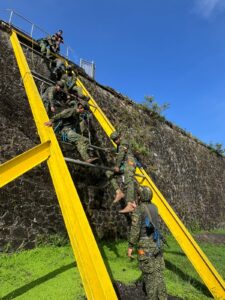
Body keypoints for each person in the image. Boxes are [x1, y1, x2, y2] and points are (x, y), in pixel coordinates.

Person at [128, 186, 167, 300]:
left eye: (139, 195)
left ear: (141, 196)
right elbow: (146, 216)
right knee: (158, 274)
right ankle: (163, 297)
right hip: (157, 244)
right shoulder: (154, 207)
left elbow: (135, 229)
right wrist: (137, 209)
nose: (138, 197)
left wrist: (130, 246)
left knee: (149, 276)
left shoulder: (139, 209)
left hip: (145, 247)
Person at [109, 131, 137, 213]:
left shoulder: (124, 143)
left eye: (117, 139)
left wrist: (117, 166)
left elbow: (121, 154)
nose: (116, 141)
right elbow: (118, 151)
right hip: (123, 165)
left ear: (119, 137)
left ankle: (130, 204)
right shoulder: (119, 146)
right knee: (109, 173)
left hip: (129, 163)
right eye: (114, 140)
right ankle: (119, 192)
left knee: (129, 181)